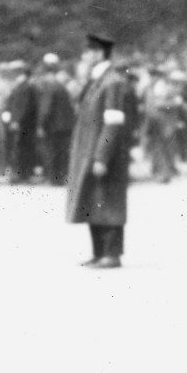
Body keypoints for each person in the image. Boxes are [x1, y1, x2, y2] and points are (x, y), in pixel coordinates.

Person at [65, 30, 137, 269]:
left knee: (108, 202)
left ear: (98, 53)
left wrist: (102, 156)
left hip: (105, 153)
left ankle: (112, 254)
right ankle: (99, 253)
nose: (84, 56)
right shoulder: (97, 80)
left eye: (87, 52)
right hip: (91, 151)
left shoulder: (113, 82)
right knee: (94, 199)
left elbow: (113, 122)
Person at [36, 54, 76, 185]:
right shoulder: (60, 86)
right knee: (62, 152)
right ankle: (60, 177)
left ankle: (53, 178)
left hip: (53, 126)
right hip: (65, 125)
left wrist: (41, 125)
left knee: (51, 151)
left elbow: (45, 108)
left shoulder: (50, 87)